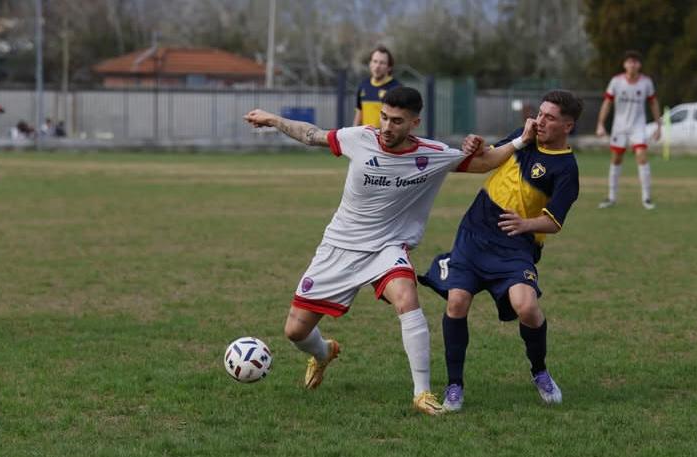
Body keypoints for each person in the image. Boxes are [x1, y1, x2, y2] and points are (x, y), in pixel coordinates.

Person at [243, 86, 520, 415]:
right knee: (295, 331)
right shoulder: (359, 137)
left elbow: (485, 162)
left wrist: (520, 141)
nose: (387, 127)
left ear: (414, 123)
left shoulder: (431, 154)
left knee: (406, 297)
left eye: (397, 121)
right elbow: (312, 135)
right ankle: (323, 352)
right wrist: (273, 119)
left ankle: (422, 393)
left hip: (386, 248)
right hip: (339, 246)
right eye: (384, 118)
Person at [418, 90, 583, 411]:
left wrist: (525, 224)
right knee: (457, 302)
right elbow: (485, 162)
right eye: (540, 113)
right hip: (475, 233)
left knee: (527, 308)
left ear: (568, 126)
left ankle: (540, 371)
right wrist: (475, 148)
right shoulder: (525, 137)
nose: (540, 121)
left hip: (514, 245)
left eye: (550, 117)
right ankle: (454, 385)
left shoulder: (567, 169)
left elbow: (555, 222)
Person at [595, 50, 661, 210]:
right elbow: (607, 103)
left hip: (638, 126)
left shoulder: (646, 82)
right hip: (619, 127)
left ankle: (646, 198)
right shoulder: (616, 82)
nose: (632, 64)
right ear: (625, 65)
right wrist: (600, 123)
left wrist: (659, 126)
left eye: (635, 62)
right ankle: (611, 197)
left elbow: (653, 103)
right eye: (629, 61)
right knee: (616, 159)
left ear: (639, 65)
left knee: (642, 157)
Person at [353, 45, 401, 128]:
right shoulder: (363, 86)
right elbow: (359, 112)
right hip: (366, 138)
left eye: (382, 63)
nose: (377, 66)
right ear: (370, 64)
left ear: (389, 67)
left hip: (386, 139)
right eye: (375, 61)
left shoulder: (397, 89)